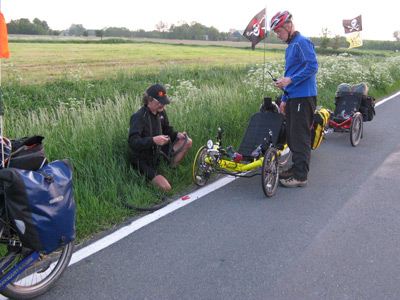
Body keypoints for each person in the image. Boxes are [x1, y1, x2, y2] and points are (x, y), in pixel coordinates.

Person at [270, 11, 318, 188]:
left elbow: (313, 66)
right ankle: (295, 168)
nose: (277, 34)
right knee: (291, 137)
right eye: (275, 32)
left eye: (279, 31)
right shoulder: (291, 46)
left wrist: (290, 80)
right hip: (293, 97)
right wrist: (284, 98)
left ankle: (300, 176)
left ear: (289, 26)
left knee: (299, 137)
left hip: (304, 97)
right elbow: (288, 73)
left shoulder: (302, 42)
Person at [128, 84, 192, 191]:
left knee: (187, 141)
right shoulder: (139, 117)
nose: (162, 105)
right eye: (159, 102)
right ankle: (152, 178)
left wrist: (177, 135)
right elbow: (133, 142)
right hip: (142, 159)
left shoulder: (161, 113)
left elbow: (168, 130)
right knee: (166, 188)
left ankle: (172, 170)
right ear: (149, 101)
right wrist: (153, 140)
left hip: (158, 153)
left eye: (164, 102)